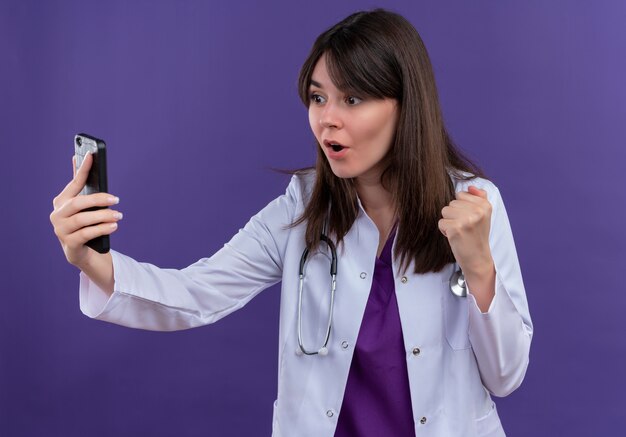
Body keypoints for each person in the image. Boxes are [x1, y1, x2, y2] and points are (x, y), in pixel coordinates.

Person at [50, 9, 532, 437]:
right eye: (318, 98)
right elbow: (194, 295)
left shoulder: (474, 205)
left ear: (406, 107)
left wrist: (479, 269)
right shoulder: (301, 207)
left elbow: (506, 376)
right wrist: (91, 258)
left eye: (353, 99)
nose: (327, 120)